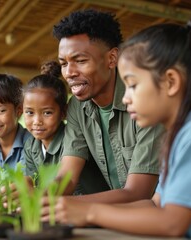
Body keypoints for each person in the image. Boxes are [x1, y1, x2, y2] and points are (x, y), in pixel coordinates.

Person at [53, 16, 191, 239]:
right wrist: (70, 209)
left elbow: (173, 223)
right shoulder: (180, 134)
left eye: (133, 85)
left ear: (171, 82)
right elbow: (154, 205)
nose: (125, 98)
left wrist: (90, 212)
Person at [51, 9, 163, 201]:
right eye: (63, 63)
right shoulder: (77, 108)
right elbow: (66, 178)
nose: (69, 72)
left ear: (112, 59)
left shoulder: (145, 104)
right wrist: (38, 196)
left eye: (80, 61)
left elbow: (139, 193)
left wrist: (68, 205)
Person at [23, 60, 68, 178]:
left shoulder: (71, 141)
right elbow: (33, 184)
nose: (37, 121)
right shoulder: (30, 146)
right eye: (29, 112)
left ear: (63, 112)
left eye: (47, 113)